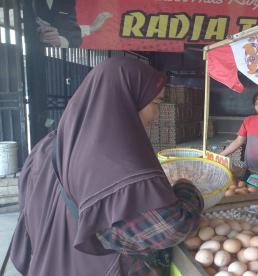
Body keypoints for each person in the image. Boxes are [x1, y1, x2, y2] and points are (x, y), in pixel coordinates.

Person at [9, 57, 204, 275]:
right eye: (155, 103)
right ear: (126, 101)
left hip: (49, 262)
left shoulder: (47, 145)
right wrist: (186, 190)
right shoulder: (119, 169)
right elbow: (171, 229)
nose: (155, 115)